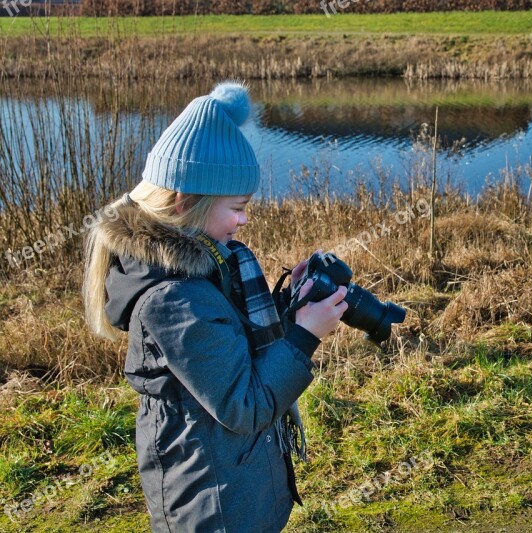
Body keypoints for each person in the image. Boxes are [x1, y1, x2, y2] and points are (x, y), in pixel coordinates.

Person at [82, 81, 347, 532]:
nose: (244, 220)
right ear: (186, 202)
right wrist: (304, 335)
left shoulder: (208, 266)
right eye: (238, 207)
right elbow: (244, 404)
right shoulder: (172, 299)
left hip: (238, 482)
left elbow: (232, 347)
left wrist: (289, 305)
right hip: (211, 504)